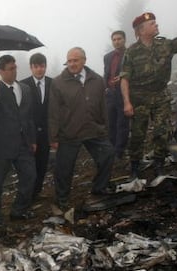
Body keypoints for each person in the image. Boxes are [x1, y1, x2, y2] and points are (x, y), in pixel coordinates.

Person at [49, 47, 115, 222]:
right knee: (64, 168)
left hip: (94, 130)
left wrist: (105, 128)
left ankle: (99, 188)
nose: (71, 64)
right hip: (69, 133)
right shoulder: (58, 83)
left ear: (84, 60)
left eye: (75, 60)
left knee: (108, 155)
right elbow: (53, 112)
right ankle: (62, 199)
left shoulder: (97, 80)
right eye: (69, 61)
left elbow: (103, 106)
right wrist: (53, 137)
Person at [121, 12, 177, 178]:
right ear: (141, 30)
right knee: (137, 134)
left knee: (162, 132)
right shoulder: (132, 52)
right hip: (139, 98)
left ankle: (159, 164)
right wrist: (127, 102)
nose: (156, 25)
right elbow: (125, 79)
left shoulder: (165, 44)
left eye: (155, 23)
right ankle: (135, 168)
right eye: (152, 24)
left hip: (161, 96)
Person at [0, 54, 37, 227]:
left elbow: (29, 116)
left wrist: (32, 139)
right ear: (0, 71)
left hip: (23, 143)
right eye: (10, 69)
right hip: (1, 146)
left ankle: (18, 210)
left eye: (15, 68)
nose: (14, 71)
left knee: (30, 176)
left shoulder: (25, 88)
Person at [21, 53, 52, 200]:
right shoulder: (22, 85)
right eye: (36, 66)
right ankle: (26, 194)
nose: (39, 69)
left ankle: (36, 193)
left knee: (42, 164)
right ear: (31, 67)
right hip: (28, 134)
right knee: (28, 167)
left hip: (46, 133)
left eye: (42, 66)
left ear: (45, 66)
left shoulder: (53, 84)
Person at [104, 30, 130, 159]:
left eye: (119, 39)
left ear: (124, 39)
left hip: (124, 93)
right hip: (110, 94)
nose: (116, 41)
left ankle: (119, 151)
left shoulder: (130, 54)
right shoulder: (108, 56)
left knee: (122, 123)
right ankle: (111, 149)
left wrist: (122, 78)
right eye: (114, 39)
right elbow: (106, 73)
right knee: (110, 123)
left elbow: (133, 73)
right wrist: (106, 88)